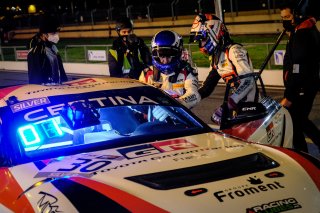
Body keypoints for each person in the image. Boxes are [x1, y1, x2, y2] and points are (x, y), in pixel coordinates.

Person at [189, 14, 259, 124]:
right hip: (238, 108)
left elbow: (249, 81)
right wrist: (187, 102)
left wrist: (228, 105)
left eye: (202, 39)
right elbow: (207, 88)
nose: (201, 44)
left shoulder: (234, 50)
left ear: (214, 33)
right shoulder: (216, 58)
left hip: (252, 109)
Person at [279, 2, 320, 152]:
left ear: (297, 15)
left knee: (297, 121)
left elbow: (298, 67)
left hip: (302, 87)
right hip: (304, 85)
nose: (285, 20)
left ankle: (302, 153)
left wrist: (289, 96)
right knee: (299, 121)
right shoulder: (300, 31)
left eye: (287, 17)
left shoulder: (302, 33)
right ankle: (303, 152)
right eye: (282, 18)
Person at [139, 30, 201, 109]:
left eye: (169, 55)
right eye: (161, 55)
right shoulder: (147, 74)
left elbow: (194, 95)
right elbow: (139, 97)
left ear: (178, 53)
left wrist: (177, 104)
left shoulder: (187, 72)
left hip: (178, 116)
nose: (165, 60)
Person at [27, 14, 68, 85]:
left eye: (57, 33)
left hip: (57, 87)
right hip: (45, 91)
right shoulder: (36, 50)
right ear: (44, 34)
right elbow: (34, 76)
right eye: (53, 33)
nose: (56, 35)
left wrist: (64, 81)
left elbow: (59, 67)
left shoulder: (52, 46)